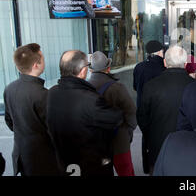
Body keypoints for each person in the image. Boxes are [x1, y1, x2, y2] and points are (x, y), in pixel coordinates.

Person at [47, 50, 123, 176]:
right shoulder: (90, 99)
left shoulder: (52, 93)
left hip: (65, 162)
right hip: (91, 165)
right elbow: (116, 118)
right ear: (82, 71)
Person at [3, 43, 60, 176]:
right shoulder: (43, 95)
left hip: (21, 155)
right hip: (44, 159)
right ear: (36, 65)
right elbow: (54, 129)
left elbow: (9, 121)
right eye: (43, 58)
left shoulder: (9, 89)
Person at [137, 45, 195, 175]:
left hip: (158, 148)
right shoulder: (195, 86)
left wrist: (151, 135)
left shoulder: (150, 86)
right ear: (185, 64)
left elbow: (142, 118)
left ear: (164, 62)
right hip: (188, 149)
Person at [87, 51, 137, 176]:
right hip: (119, 138)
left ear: (91, 70)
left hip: (96, 140)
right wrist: (129, 131)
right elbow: (131, 111)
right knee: (125, 171)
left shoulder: (85, 87)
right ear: (108, 68)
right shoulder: (117, 87)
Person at [133, 40, 166, 173]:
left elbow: (135, 87)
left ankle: (148, 167)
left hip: (142, 107)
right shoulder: (163, 69)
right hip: (158, 109)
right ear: (159, 52)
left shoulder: (139, 67)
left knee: (146, 138)